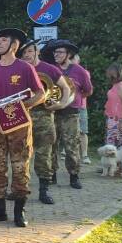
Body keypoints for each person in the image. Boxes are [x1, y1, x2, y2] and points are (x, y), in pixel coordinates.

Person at [0, 29, 44, 227]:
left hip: (19, 122)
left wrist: (24, 105)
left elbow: (40, 93)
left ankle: (19, 210)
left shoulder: (25, 68)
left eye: (3, 40)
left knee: (20, 165)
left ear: (14, 45)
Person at [18, 39, 73, 204]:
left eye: (29, 51)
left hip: (44, 117)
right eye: (23, 53)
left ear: (37, 52)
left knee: (44, 154)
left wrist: (61, 104)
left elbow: (66, 88)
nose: (26, 55)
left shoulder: (49, 69)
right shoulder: (18, 69)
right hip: (22, 116)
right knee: (20, 155)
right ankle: (19, 189)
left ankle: (44, 190)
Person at [42, 40, 92, 189]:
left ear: (68, 54)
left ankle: (74, 176)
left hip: (71, 113)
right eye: (55, 53)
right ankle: (52, 175)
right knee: (51, 145)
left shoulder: (79, 71)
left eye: (60, 52)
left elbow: (88, 90)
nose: (56, 55)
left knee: (72, 146)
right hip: (53, 112)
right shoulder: (51, 69)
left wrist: (74, 98)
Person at [98, 63, 122, 178]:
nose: (108, 75)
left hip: (118, 120)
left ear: (115, 73)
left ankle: (114, 169)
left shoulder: (120, 85)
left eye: (110, 72)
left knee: (114, 146)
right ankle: (120, 169)